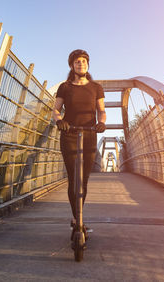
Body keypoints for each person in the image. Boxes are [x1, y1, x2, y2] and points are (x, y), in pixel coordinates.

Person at [52, 49, 106, 238]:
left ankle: (78, 219)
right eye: (77, 62)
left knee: (83, 180)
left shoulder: (96, 87)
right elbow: (56, 110)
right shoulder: (64, 87)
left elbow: (101, 111)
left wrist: (102, 123)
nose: (80, 64)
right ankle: (77, 220)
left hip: (90, 134)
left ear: (88, 64)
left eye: (83, 61)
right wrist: (60, 121)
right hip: (69, 134)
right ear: (71, 65)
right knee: (74, 179)